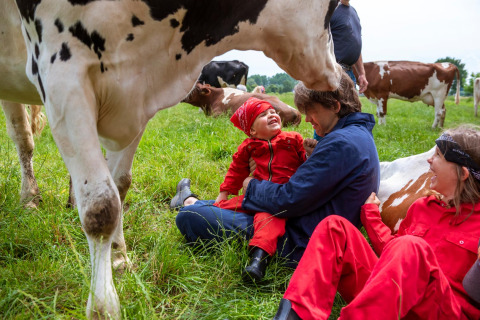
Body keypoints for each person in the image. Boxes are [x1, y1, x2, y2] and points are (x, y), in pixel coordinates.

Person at [174, 72, 380, 269]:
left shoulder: (341, 143)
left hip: (299, 240)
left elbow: (287, 200)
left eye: (311, 110)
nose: (307, 119)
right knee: (221, 207)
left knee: (190, 216)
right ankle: (189, 200)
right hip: (308, 223)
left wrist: (250, 185)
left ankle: (189, 203)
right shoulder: (355, 135)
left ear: (335, 106)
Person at [273, 125, 480, 320]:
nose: (429, 160)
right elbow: (395, 254)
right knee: (335, 226)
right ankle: (296, 314)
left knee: (411, 245)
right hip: (388, 301)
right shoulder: (423, 207)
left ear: (462, 174)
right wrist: (371, 215)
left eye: (438, 156)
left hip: (443, 310)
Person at [172, 97, 306, 281]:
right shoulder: (248, 147)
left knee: (267, 222)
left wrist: (309, 151)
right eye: (263, 115)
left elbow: (307, 162)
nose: (272, 114)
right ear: (252, 130)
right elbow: (235, 171)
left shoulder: (293, 139)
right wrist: (224, 193)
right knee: (223, 206)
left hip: (275, 202)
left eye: (273, 112)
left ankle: (258, 260)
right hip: (253, 197)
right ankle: (189, 202)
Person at [313, 0, 368, 141]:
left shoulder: (353, 12)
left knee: (349, 114)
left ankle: (346, 148)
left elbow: (355, 44)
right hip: (332, 72)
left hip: (349, 73)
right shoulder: (328, 9)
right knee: (328, 115)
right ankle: (320, 150)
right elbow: (316, 40)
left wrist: (361, 73)